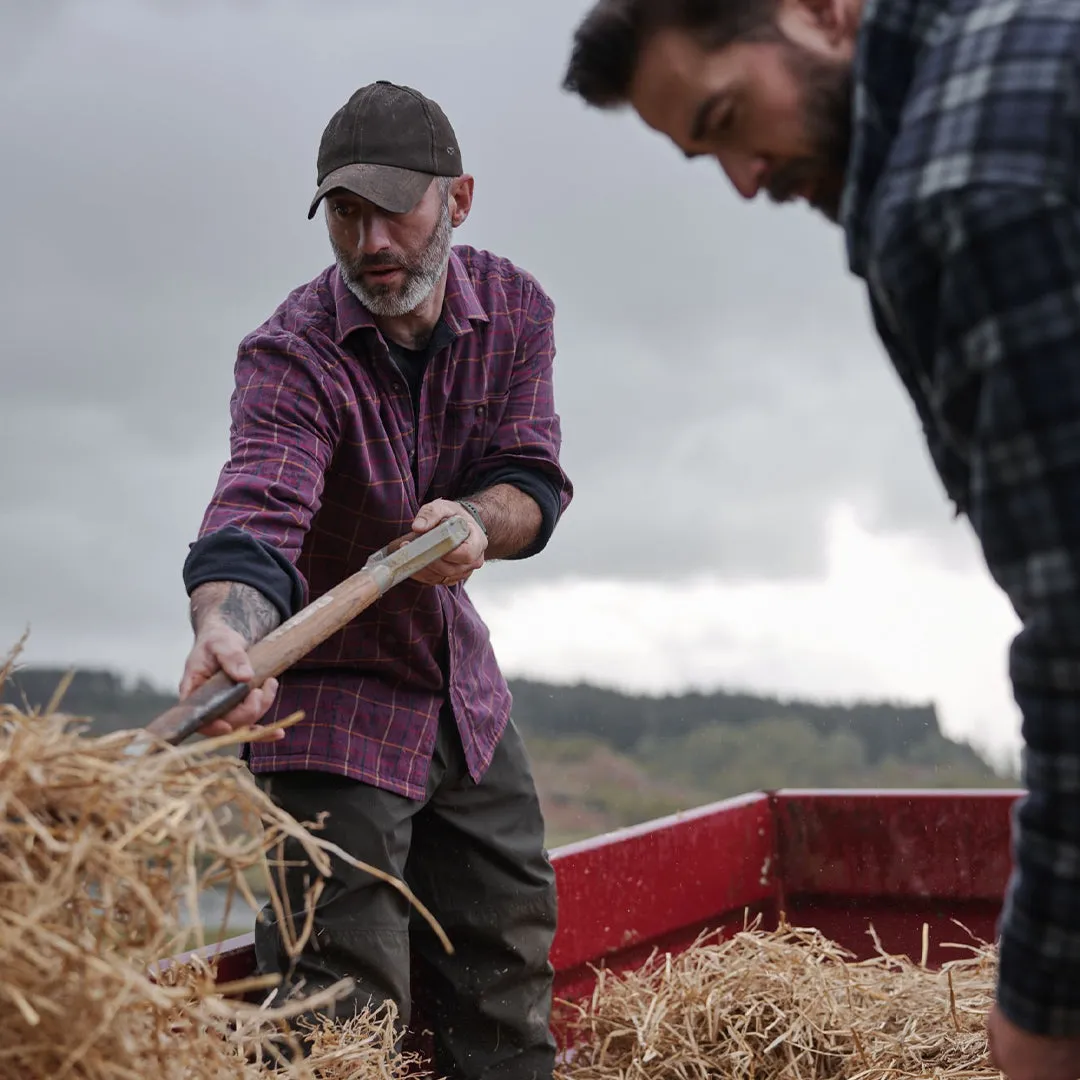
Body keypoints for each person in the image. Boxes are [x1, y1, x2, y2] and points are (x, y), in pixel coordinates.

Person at [560, 1, 1080, 1078]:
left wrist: (1040, 1010)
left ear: (818, 12)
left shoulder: (963, 199)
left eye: (729, 117)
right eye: (707, 155)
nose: (746, 179)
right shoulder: (1030, 31)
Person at [178, 79, 573, 1080]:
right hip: (329, 709)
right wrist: (227, 628)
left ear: (459, 199)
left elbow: (531, 480)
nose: (370, 243)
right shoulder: (293, 353)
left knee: (509, 966)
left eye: (393, 208)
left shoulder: (516, 311)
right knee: (342, 1025)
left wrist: (478, 524)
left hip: (458, 695)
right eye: (346, 215)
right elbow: (255, 513)